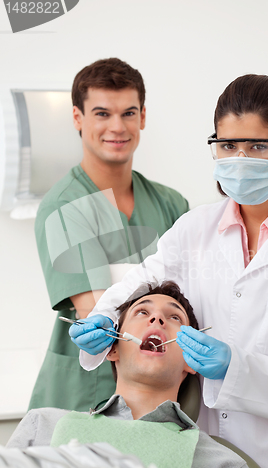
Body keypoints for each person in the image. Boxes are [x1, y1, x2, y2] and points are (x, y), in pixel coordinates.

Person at [70, 74, 268, 468]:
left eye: (258, 146)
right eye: (228, 146)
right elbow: (144, 281)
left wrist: (238, 370)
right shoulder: (196, 229)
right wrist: (101, 320)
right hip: (204, 464)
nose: (241, 158)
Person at [29, 58, 189, 413]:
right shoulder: (63, 207)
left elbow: (194, 298)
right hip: (84, 395)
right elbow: (100, 311)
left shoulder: (171, 203)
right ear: (77, 118)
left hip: (157, 395)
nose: (117, 127)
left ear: (143, 117)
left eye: (128, 113)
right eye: (102, 113)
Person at [8, 282, 257, 468]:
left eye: (174, 318)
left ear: (190, 360)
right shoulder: (41, 426)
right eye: (142, 312)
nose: (157, 319)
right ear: (112, 349)